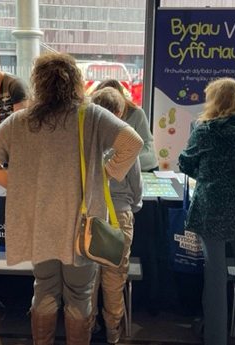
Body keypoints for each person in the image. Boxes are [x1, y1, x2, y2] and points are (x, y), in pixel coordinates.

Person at [0, 52, 143, 345]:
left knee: (44, 289)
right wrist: (105, 174)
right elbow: (133, 142)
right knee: (79, 296)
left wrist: (15, 183)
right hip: (81, 226)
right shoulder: (91, 116)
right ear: (75, 82)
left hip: (40, 226)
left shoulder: (21, 120)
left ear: (38, 83)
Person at [178, 77, 235, 345]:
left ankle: (215, 338)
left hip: (213, 210)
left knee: (215, 277)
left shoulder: (205, 130)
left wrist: (205, 174)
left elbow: (185, 162)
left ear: (214, 100)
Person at [90, 87, 143, 343]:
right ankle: (113, 332)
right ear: (120, 112)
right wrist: (132, 209)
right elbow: (137, 187)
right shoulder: (126, 142)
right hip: (118, 216)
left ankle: (86, 329)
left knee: (88, 277)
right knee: (114, 278)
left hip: (88, 216)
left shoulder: (85, 141)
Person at [94, 79, 158, 172]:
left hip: (145, 168)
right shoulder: (98, 116)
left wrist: (118, 155)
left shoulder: (137, 113)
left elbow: (146, 146)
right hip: (119, 169)